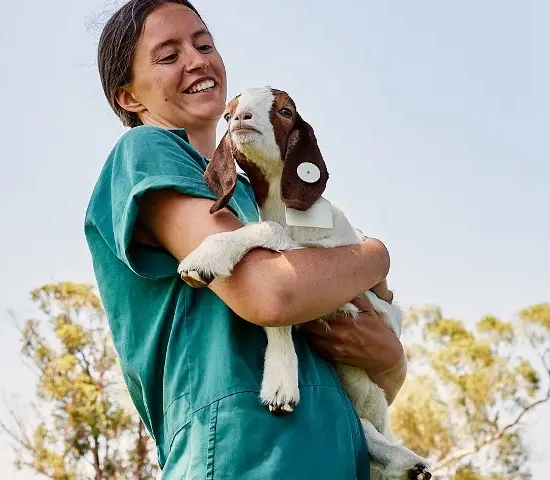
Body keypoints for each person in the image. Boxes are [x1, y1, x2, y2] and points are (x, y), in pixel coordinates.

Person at [83, 1, 407, 478]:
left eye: (204, 44)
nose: (196, 60)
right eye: (168, 55)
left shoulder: (253, 199)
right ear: (129, 97)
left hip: (336, 456)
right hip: (243, 454)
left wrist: (390, 359)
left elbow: (357, 375)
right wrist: (375, 256)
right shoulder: (146, 152)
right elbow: (272, 294)